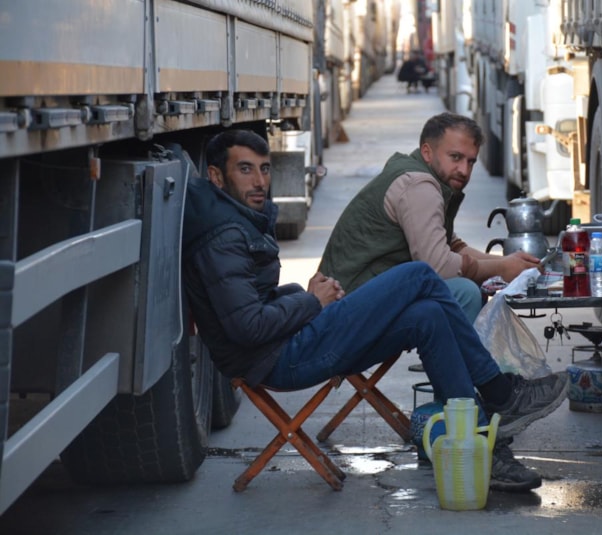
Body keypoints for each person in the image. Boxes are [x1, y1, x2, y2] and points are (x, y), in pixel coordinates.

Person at [181, 129, 568, 493]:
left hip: (286, 343)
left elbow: (253, 305)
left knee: (429, 316)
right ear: (216, 176)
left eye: (264, 169)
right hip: (280, 358)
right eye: (245, 170)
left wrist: (300, 297)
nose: (259, 181)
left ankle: (483, 448)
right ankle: (499, 392)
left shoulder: (234, 219)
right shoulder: (224, 238)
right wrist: (310, 301)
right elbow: (248, 327)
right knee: (419, 275)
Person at [318, 112, 541, 324]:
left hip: (364, 296)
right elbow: (439, 266)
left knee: (470, 282)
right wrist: (501, 268)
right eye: (455, 157)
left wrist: (514, 264)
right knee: (465, 292)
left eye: (471, 162)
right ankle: (460, 355)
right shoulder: (419, 186)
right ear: (427, 152)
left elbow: (452, 246)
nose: (464, 170)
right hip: (347, 309)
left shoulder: (420, 175)